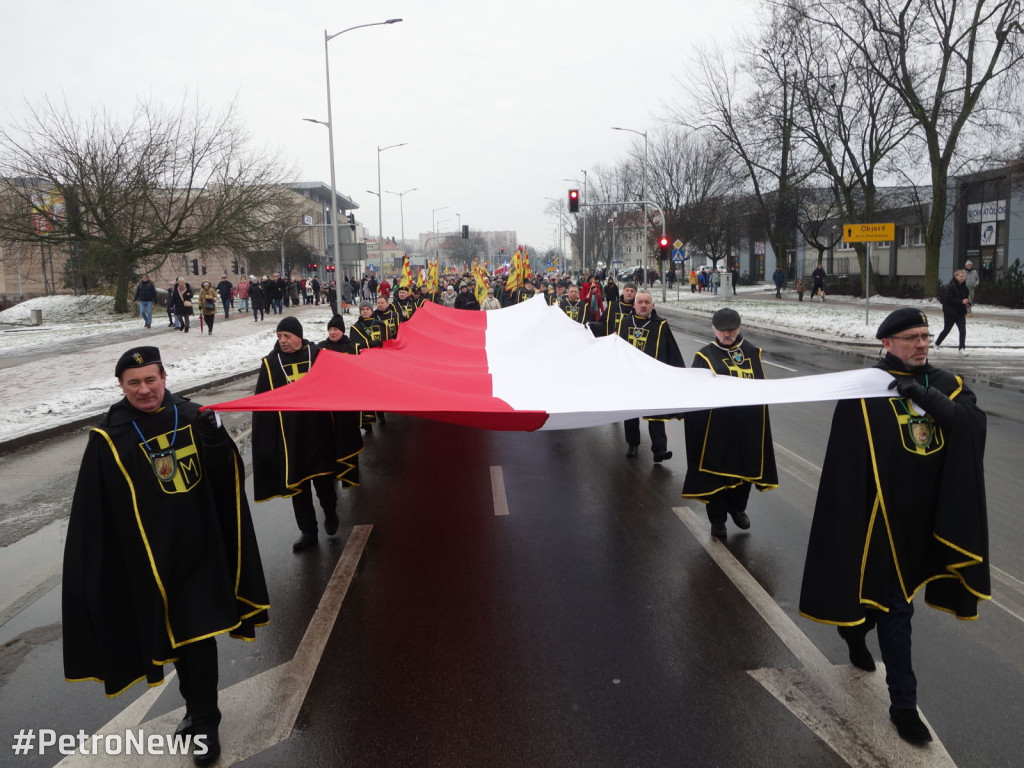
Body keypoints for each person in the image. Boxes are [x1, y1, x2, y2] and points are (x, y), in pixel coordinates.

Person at [63, 346, 270, 767]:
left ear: (164, 376)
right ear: (121, 386)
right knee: (174, 641)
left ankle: (206, 722)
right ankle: (196, 709)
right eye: (133, 383)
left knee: (198, 636)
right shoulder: (108, 437)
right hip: (151, 563)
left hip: (201, 551)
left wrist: (215, 440)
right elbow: (96, 511)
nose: (144, 390)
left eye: (150, 379)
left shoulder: (193, 416)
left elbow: (225, 477)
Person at [800, 307, 990, 744]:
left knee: (884, 605)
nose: (922, 344)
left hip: (929, 519)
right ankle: (904, 706)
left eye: (925, 336)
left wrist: (932, 400)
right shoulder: (866, 389)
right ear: (887, 344)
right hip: (882, 521)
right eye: (911, 338)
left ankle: (853, 627)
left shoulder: (946, 385)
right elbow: (847, 466)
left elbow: (972, 427)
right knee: (895, 608)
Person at [252, 317, 361, 551]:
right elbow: (263, 403)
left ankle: (330, 512)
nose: (282, 341)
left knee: (323, 482)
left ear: (299, 336)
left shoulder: (319, 355)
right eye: (279, 336)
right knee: (298, 489)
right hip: (291, 438)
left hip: (320, 432)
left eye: (287, 336)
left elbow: (339, 384)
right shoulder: (271, 364)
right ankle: (308, 531)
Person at [681, 308, 779, 539]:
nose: (727, 334)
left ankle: (737, 507)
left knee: (746, 472)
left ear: (739, 328)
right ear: (714, 329)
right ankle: (718, 521)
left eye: (731, 330)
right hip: (717, 429)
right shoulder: (705, 356)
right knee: (716, 475)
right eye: (722, 330)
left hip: (748, 427)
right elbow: (694, 393)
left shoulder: (753, 352)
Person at [616, 290, 686, 461]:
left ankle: (659, 450)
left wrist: (681, 375)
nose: (643, 305)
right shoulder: (625, 323)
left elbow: (672, 350)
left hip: (653, 378)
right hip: (631, 377)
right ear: (634, 305)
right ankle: (633, 444)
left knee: (656, 414)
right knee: (631, 414)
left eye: (647, 302)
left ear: (653, 305)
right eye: (640, 302)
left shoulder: (661, 325)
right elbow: (617, 349)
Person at [934, 269, 970, 353]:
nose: (962, 278)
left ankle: (962, 348)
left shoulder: (965, 288)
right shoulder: (950, 287)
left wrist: (967, 303)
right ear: (956, 276)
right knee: (947, 329)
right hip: (950, 312)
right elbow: (949, 300)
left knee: (962, 330)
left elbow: (965, 298)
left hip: (960, 312)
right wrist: (961, 301)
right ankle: (937, 344)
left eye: (964, 276)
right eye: (961, 276)